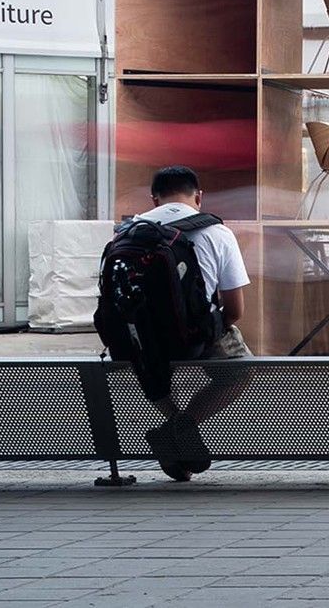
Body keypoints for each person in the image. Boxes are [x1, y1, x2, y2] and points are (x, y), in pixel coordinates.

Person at [126, 167, 254, 481]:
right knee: (241, 371)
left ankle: (175, 425)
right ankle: (181, 427)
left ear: (154, 199)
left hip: (142, 342)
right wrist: (207, 326)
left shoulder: (128, 231)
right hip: (194, 336)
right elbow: (235, 310)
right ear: (199, 197)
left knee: (147, 363)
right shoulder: (217, 232)